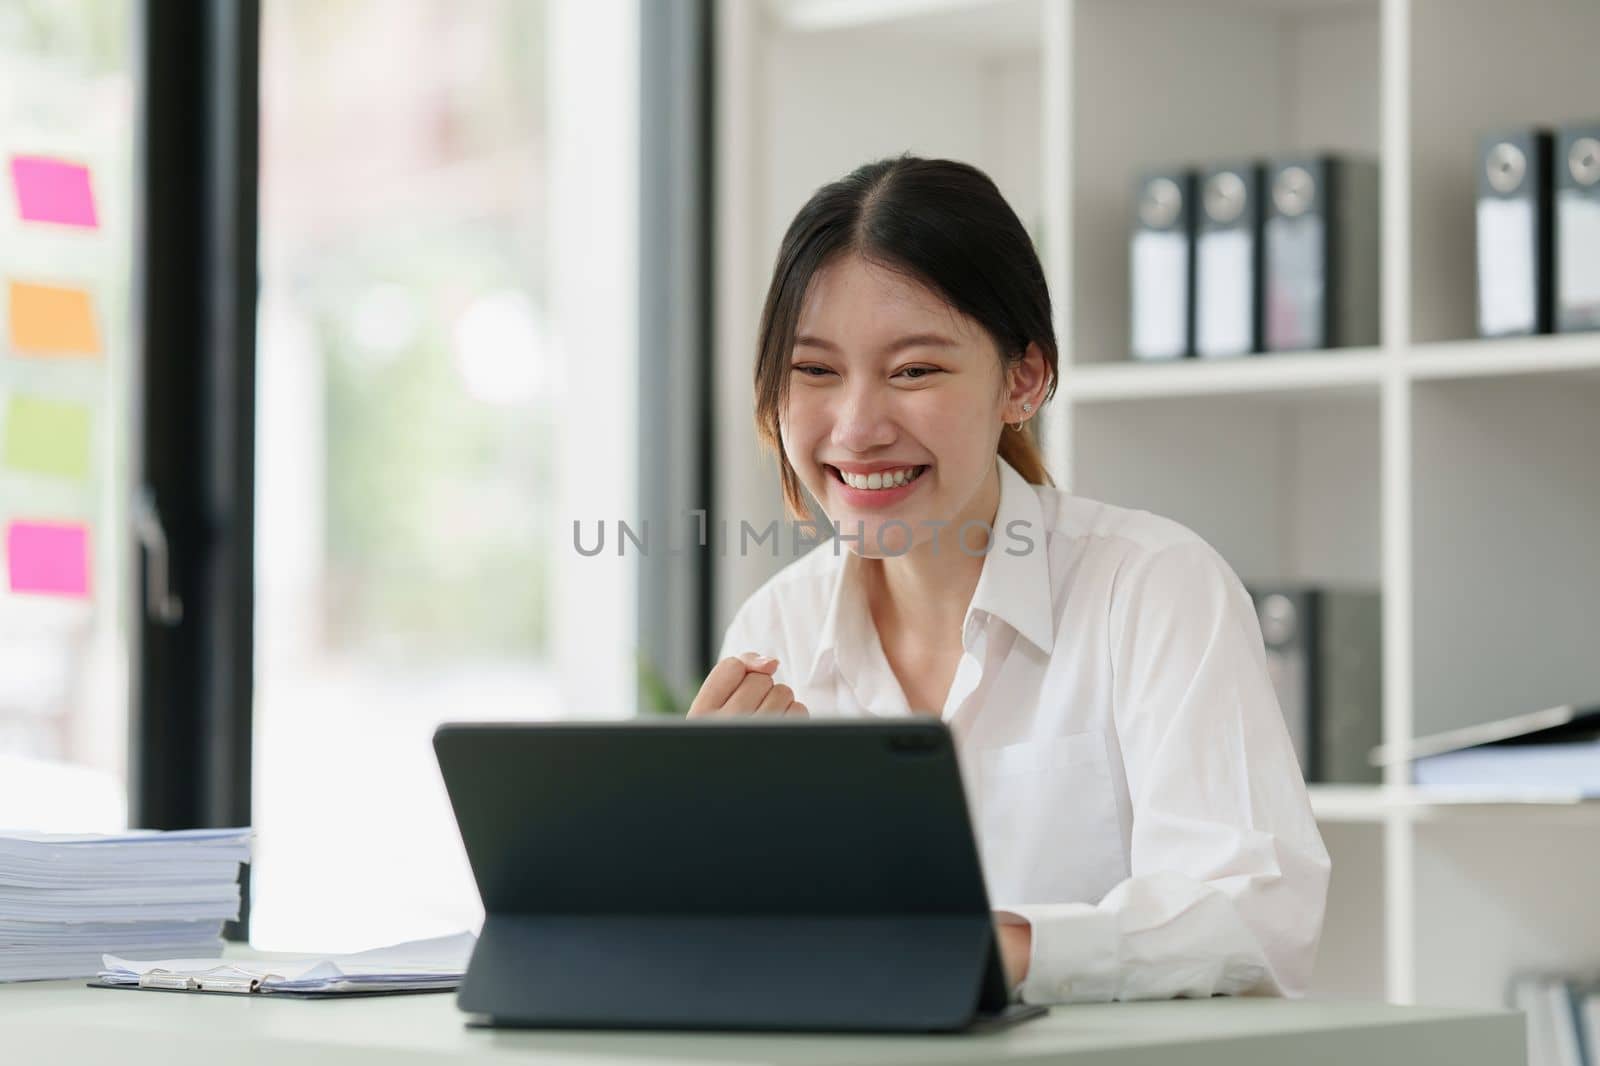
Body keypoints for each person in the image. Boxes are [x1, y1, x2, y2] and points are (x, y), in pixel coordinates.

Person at [689, 155, 1330, 1006]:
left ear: (1022, 379)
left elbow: (1255, 920)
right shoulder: (778, 630)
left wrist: (997, 948)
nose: (857, 426)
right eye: (815, 372)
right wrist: (701, 844)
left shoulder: (1151, 589)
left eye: (914, 370)